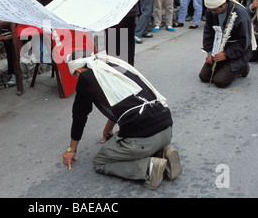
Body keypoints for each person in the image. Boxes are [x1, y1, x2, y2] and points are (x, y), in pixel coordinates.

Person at [62, 51, 182, 190]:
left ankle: (148, 168)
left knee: (100, 162)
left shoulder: (85, 77)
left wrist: (72, 149)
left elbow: (80, 115)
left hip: (143, 139)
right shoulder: (112, 65)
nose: (77, 78)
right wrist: (108, 129)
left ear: (77, 70)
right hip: (166, 131)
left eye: (75, 75)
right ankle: (163, 152)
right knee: (142, 137)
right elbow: (119, 99)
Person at [199, 0, 252, 88]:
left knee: (220, 81)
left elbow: (244, 41)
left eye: (214, 10)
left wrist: (226, 54)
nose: (212, 12)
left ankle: (242, 66)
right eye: (210, 10)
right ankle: (225, 66)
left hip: (238, 50)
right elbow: (208, 33)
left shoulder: (240, 14)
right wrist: (210, 52)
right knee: (204, 76)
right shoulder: (210, 12)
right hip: (219, 46)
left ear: (223, 4)